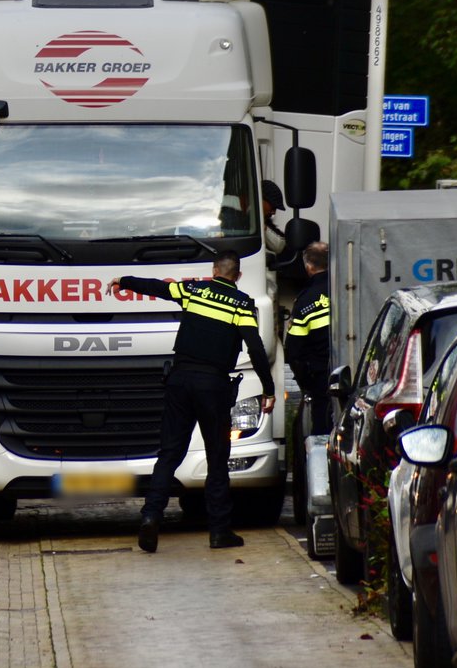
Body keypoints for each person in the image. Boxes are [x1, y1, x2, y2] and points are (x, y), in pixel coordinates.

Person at [110, 251, 274, 553]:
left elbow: (158, 287)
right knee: (217, 458)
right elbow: (256, 348)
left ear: (214, 271)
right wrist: (269, 388)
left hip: (180, 381)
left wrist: (125, 280)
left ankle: (150, 516)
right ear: (237, 276)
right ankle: (219, 532)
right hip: (213, 386)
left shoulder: (194, 290)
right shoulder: (241, 305)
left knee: (169, 454)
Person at [285, 241, 333, 435]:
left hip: (321, 378)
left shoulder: (305, 301)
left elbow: (293, 351)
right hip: (357, 372)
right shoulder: (348, 288)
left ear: (308, 267)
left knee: (322, 430)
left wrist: (306, 383)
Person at [261, 180, 287, 256]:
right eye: (273, 207)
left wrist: (262, 226)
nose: (273, 212)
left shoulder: (264, 222)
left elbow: (279, 246)